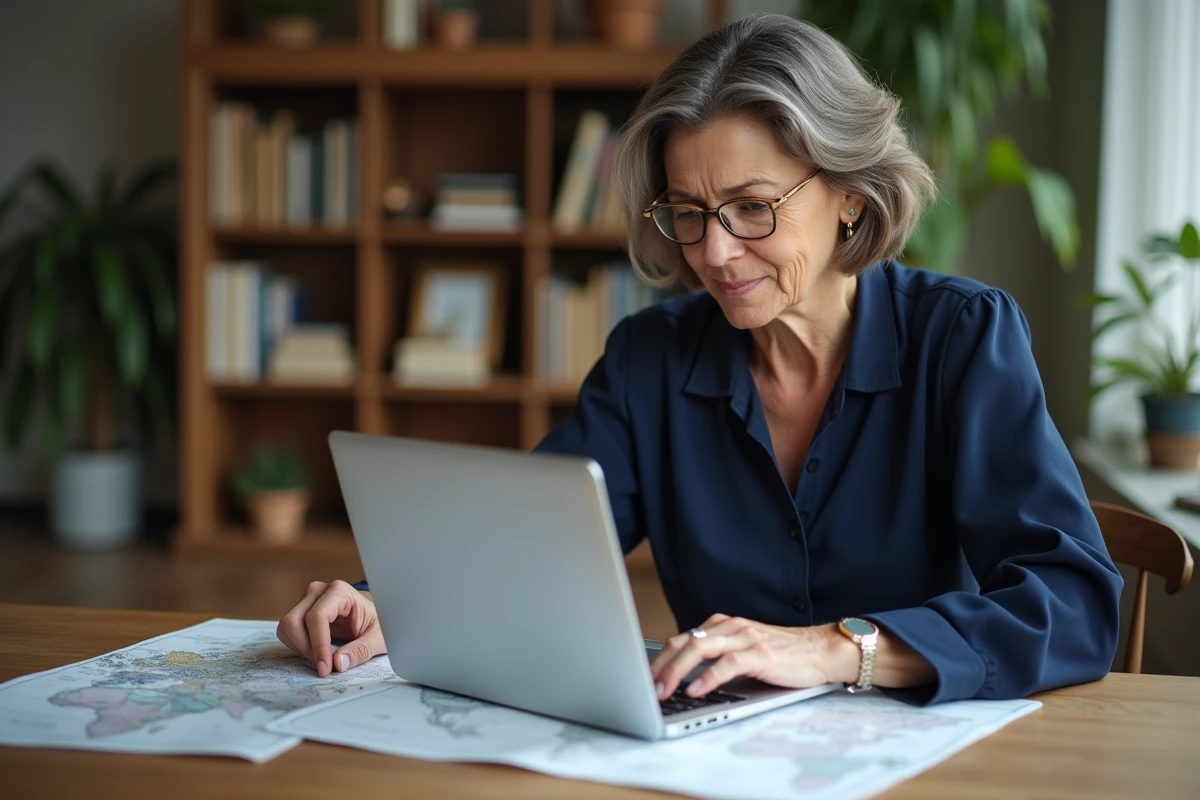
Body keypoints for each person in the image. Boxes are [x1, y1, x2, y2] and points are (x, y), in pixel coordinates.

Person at [277, 14, 1122, 706]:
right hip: (715, 766)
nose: (714, 253)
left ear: (851, 195)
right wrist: (386, 605)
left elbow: (1075, 605)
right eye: (687, 212)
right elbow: (526, 552)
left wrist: (835, 649)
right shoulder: (650, 359)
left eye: (752, 207)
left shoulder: (962, 339)